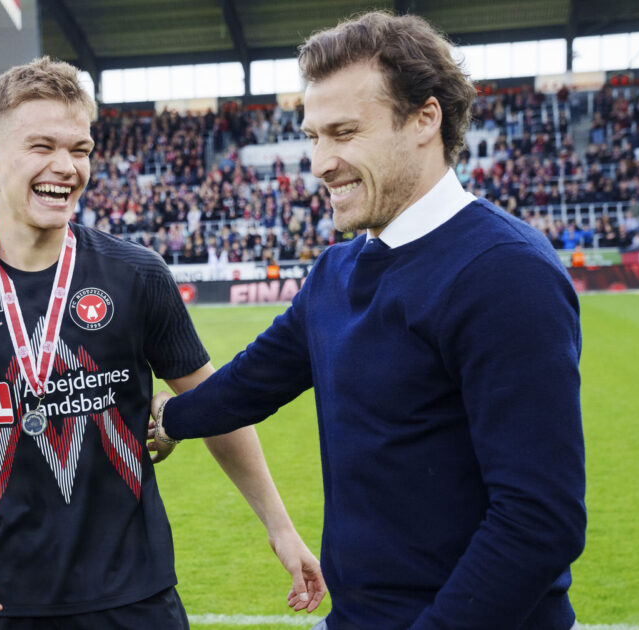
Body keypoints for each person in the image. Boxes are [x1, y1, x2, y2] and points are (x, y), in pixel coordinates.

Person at [151, 12, 586, 630]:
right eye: (313, 136)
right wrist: (167, 420)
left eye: (345, 132)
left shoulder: (504, 273)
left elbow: (540, 520)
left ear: (424, 121)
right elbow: (253, 382)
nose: (322, 162)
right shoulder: (339, 270)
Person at [0, 57, 324, 627]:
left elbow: (220, 407)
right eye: (42, 146)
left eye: (81, 149)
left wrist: (280, 528)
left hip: (135, 597)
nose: (65, 167)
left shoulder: (137, 275)